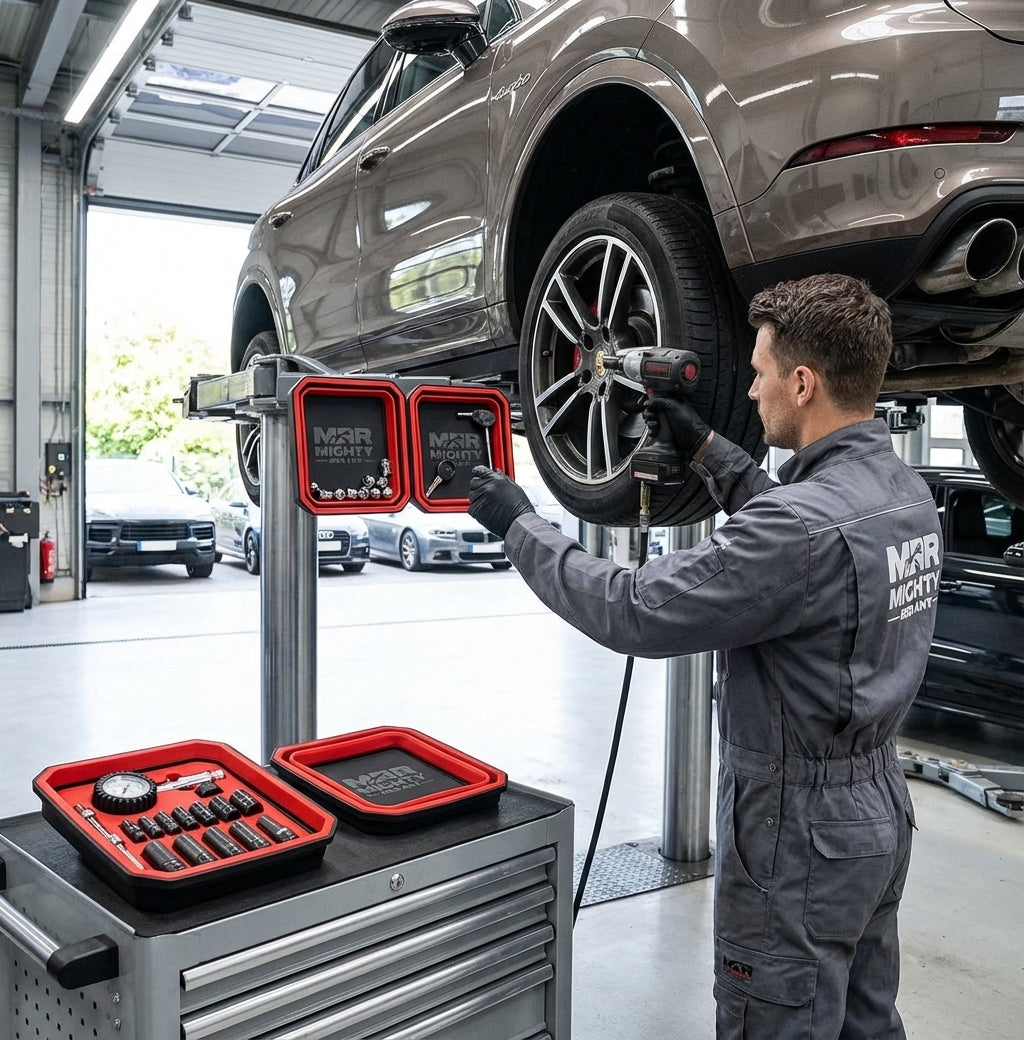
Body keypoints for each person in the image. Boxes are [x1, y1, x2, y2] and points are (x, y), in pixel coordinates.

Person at [468, 273, 942, 1040]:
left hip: (796, 830)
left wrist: (521, 525)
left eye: (760, 373)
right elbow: (804, 551)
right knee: (865, 1021)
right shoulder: (905, 493)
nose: (751, 391)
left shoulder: (798, 528)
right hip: (876, 815)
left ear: (802, 383)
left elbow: (633, 610)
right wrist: (707, 450)